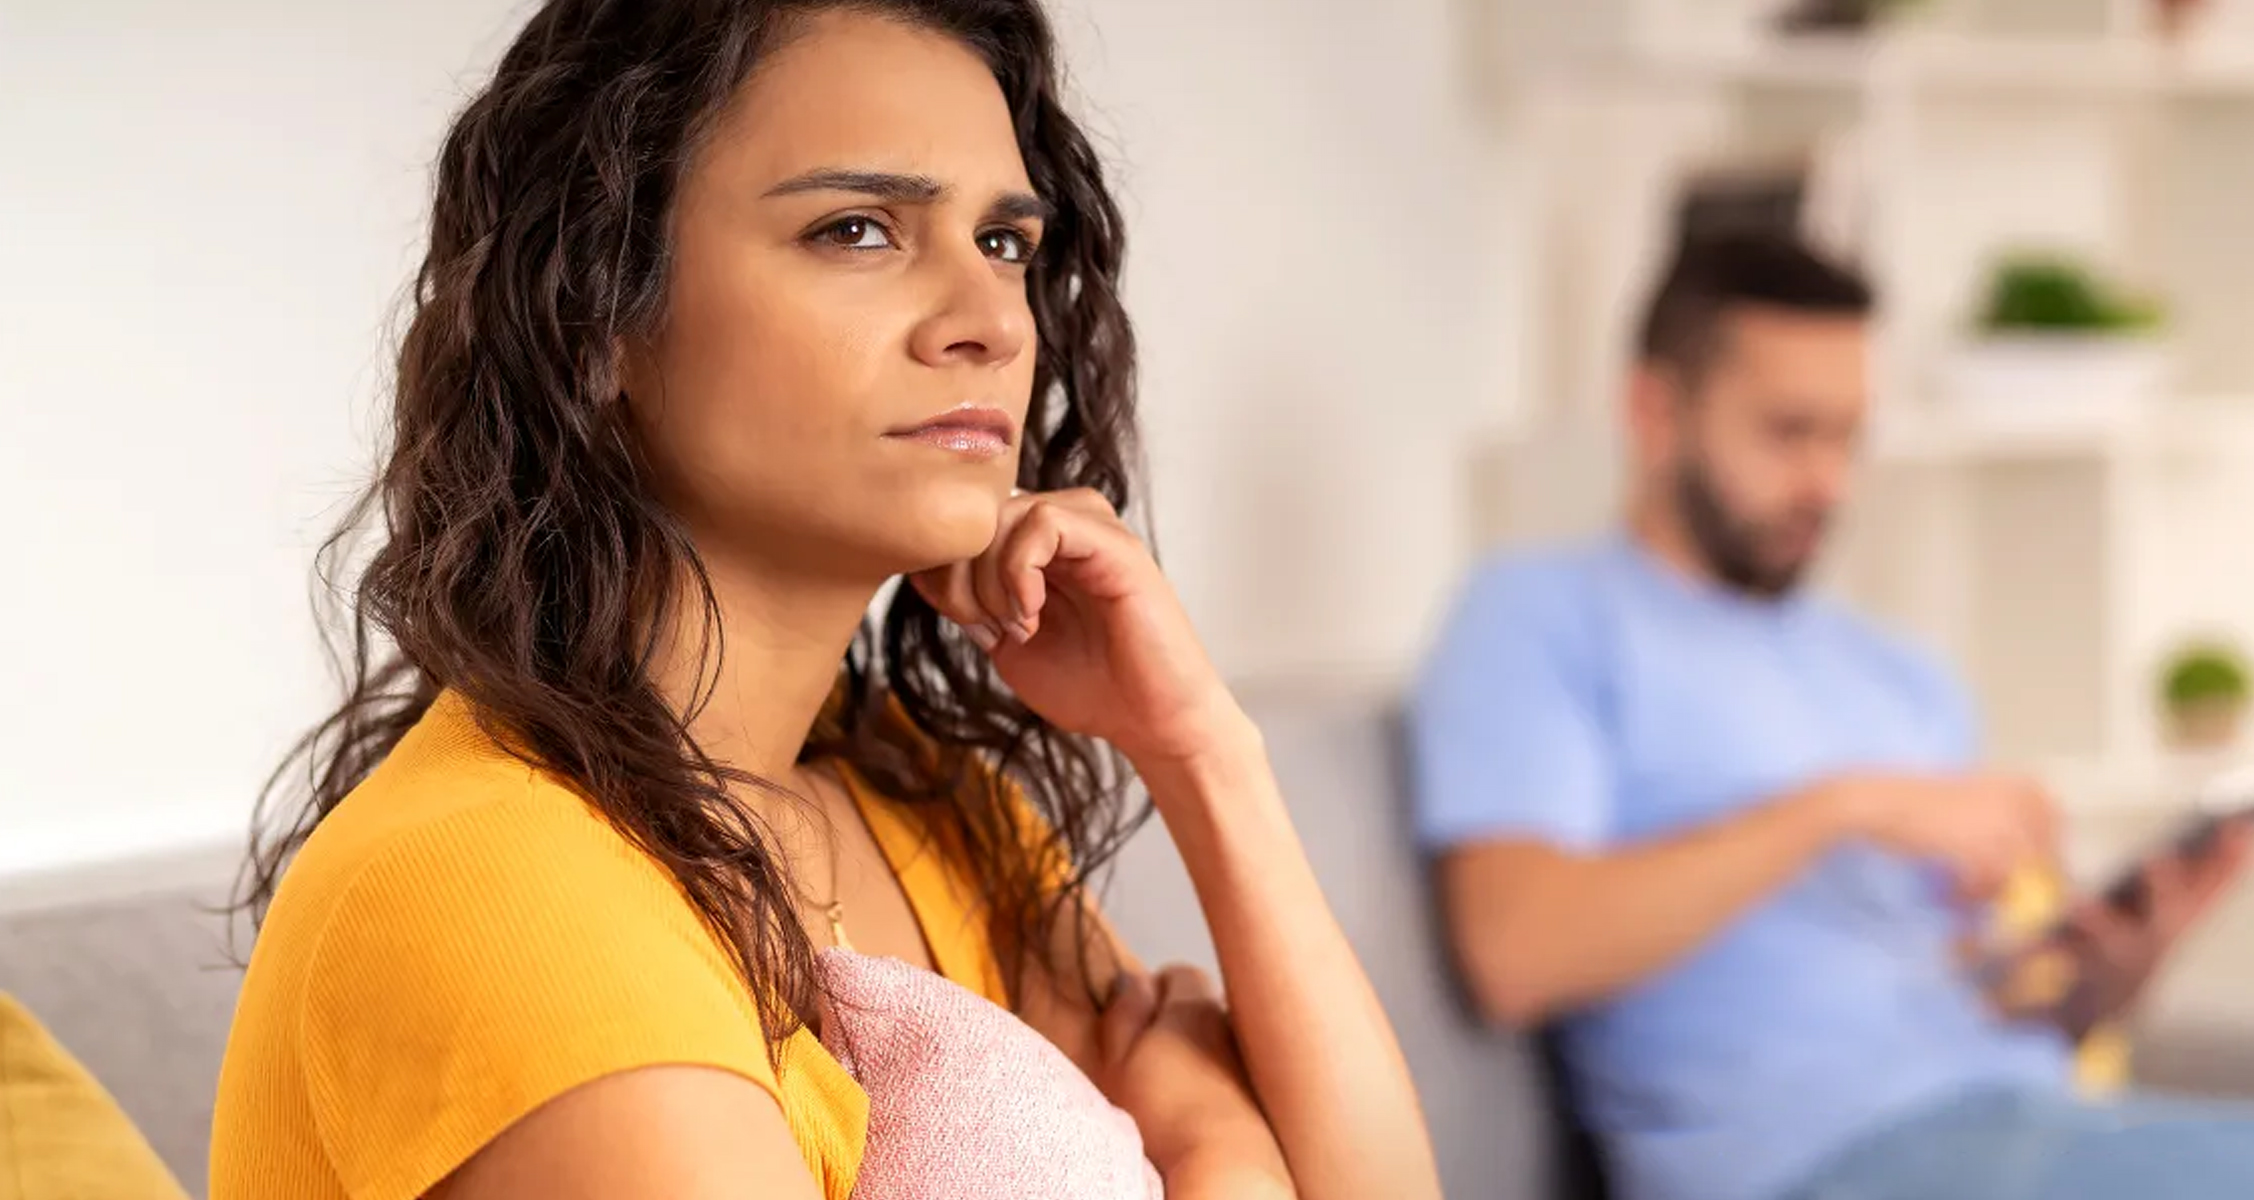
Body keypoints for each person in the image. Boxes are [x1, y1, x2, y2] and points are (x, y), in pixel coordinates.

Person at [208, 4, 1442, 1199]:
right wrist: (1221, 1154)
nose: (990, 324)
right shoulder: (494, 888)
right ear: (595, 316)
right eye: (858, 229)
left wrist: (1202, 753)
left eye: (1004, 243)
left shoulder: (927, 812)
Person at [1411, 232, 2254, 1200]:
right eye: (1789, 431)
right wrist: (1836, 808)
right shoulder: (1543, 616)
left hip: (2028, 1124)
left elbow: (2013, 1005)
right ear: (1654, 411)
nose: (1829, 483)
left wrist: (2114, 969)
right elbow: (1514, 951)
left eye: (1849, 436)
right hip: (1826, 1162)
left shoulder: (1898, 675)